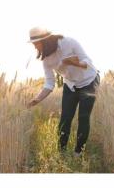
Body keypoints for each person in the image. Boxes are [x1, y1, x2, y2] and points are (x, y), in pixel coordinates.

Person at [26, 27, 100, 156]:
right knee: (65, 119)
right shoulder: (46, 60)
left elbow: (87, 62)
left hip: (89, 81)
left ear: (45, 40)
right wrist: (37, 99)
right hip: (70, 84)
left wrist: (75, 64)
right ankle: (62, 153)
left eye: (36, 44)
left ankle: (78, 153)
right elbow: (49, 83)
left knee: (83, 117)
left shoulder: (69, 42)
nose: (35, 47)